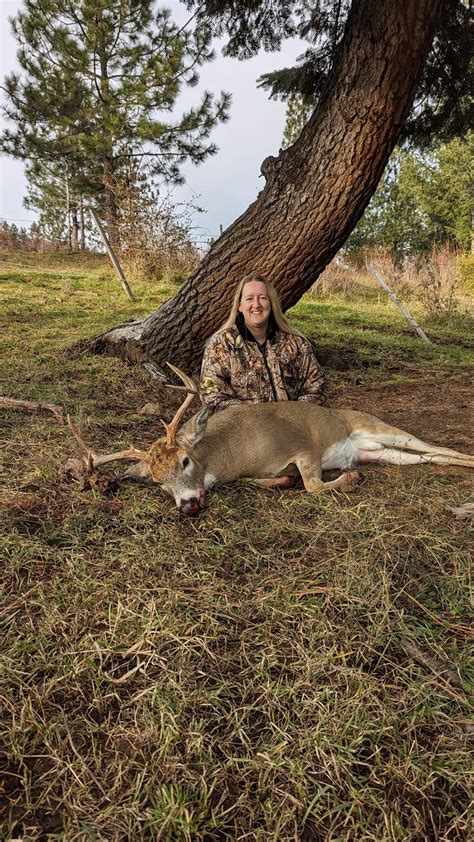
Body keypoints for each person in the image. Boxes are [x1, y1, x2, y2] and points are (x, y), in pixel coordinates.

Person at [200, 272, 325, 415]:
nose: (256, 305)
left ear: (271, 304)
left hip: (294, 425)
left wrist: (294, 414)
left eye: (263, 298)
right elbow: (212, 396)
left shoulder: (295, 342)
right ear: (239, 305)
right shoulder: (220, 345)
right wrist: (258, 418)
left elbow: (317, 385)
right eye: (249, 298)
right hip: (246, 429)